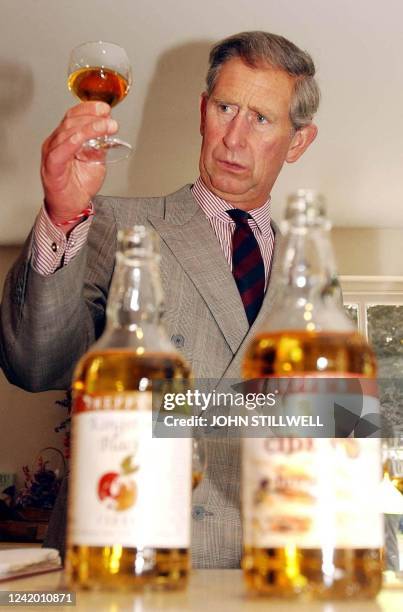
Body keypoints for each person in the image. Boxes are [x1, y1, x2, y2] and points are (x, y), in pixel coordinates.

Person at [0, 31, 319, 567]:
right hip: (124, 560)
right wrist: (61, 215)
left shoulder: (312, 275)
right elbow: (33, 364)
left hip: (265, 574)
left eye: (261, 119)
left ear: (297, 142)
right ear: (202, 111)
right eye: (225, 108)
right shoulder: (111, 224)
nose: (234, 138)